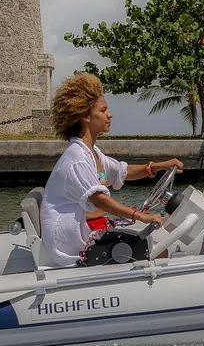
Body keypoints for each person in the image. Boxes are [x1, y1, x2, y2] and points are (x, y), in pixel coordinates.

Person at [40, 73, 184, 267]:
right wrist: (139, 215)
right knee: (158, 250)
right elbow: (99, 199)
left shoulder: (92, 153)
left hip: (86, 228)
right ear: (85, 116)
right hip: (70, 243)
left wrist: (158, 166)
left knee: (154, 246)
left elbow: (121, 172)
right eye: (103, 110)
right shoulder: (77, 158)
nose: (110, 114)